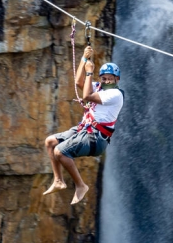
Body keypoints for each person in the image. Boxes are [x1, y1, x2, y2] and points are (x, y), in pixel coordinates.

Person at [43, 46, 124, 204]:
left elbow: (86, 95)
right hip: (85, 129)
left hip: (96, 139)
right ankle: (58, 180)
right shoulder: (100, 88)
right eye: (104, 78)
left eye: (110, 78)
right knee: (50, 142)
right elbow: (79, 82)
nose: (106, 81)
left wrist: (89, 72)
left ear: (117, 79)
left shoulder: (116, 95)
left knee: (60, 152)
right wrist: (84, 59)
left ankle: (81, 185)